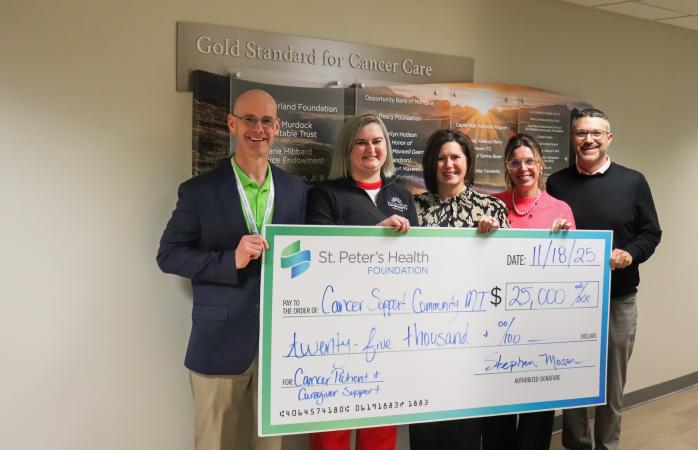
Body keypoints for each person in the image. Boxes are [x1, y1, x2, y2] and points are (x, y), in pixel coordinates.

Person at [157, 89, 307, 450]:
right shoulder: (199, 191)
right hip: (219, 343)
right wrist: (231, 260)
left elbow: (304, 255)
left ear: (278, 127)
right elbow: (169, 255)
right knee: (215, 444)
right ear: (232, 123)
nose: (259, 129)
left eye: (267, 121)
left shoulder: (295, 190)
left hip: (278, 345)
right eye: (249, 120)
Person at [546, 108, 661, 450]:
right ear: (572, 139)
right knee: (573, 381)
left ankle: (607, 445)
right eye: (581, 133)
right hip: (569, 304)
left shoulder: (633, 181)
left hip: (617, 299)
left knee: (612, 386)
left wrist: (631, 254)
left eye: (596, 133)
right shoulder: (556, 183)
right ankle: (577, 444)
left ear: (609, 138)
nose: (589, 140)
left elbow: (651, 232)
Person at [305, 113, 417, 450]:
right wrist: (373, 233)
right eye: (362, 141)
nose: (371, 148)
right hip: (336, 330)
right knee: (331, 431)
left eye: (377, 140)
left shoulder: (403, 196)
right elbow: (317, 255)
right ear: (348, 149)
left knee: (380, 429)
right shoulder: (324, 195)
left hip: (387, 329)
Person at [408, 129, 508, 450]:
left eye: (455, 157)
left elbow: (506, 273)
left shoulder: (491, 210)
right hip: (422, 337)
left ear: (468, 161)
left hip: (472, 340)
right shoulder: (413, 208)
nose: (448, 164)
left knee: (464, 431)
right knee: (425, 430)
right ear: (430, 163)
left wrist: (495, 240)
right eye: (441, 158)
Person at [482, 133, 575, 450]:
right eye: (515, 162)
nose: (523, 168)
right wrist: (481, 233)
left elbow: (572, 272)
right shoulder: (491, 205)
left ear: (541, 164)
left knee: (537, 415)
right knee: (497, 416)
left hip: (541, 329)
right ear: (507, 167)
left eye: (529, 161)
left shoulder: (560, 209)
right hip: (497, 326)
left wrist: (565, 242)